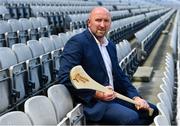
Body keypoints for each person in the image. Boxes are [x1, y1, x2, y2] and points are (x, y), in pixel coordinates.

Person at [58, 6, 158, 125]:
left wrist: (136, 97)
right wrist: (97, 94)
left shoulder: (110, 45)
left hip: (114, 97)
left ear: (110, 24)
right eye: (98, 20)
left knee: (152, 111)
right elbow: (65, 77)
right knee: (131, 118)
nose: (102, 25)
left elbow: (120, 76)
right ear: (89, 23)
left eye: (106, 21)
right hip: (93, 103)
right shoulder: (77, 43)